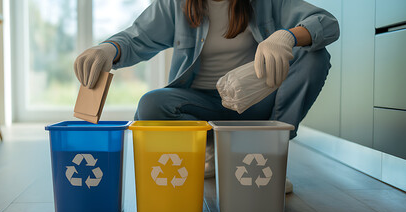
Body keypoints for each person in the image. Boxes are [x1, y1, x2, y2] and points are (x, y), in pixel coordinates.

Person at [74, 0, 339, 192]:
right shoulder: (175, 5)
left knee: (313, 55)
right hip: (198, 109)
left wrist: (288, 36)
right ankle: (209, 150)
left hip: (256, 107)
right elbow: (136, 37)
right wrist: (109, 49)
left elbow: (326, 23)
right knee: (151, 104)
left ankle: (269, 153)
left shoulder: (266, 3)